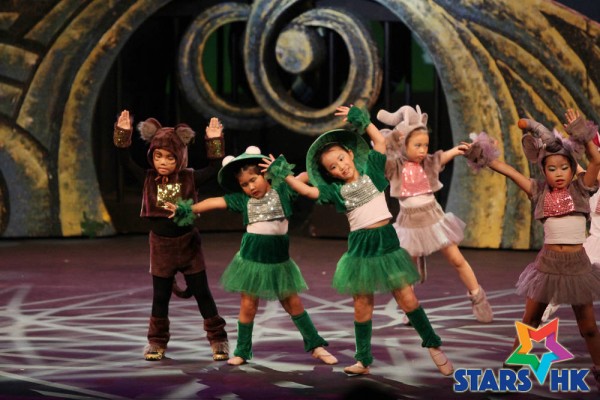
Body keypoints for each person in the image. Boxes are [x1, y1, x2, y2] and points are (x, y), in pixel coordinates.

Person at [276, 105, 454, 376]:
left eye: (341, 159)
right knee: (362, 305)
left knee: (407, 299)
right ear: (330, 174)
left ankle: (433, 345)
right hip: (361, 247)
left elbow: (380, 142)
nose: (340, 167)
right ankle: (363, 360)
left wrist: (363, 120)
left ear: (350, 154)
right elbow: (309, 192)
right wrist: (285, 175)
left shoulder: (372, 171)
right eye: (333, 167)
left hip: (386, 243)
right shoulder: (337, 191)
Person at [165, 146, 337, 367]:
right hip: (251, 260)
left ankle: (316, 346)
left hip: (278, 261)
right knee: (248, 306)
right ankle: (242, 351)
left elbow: (305, 176)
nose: (250, 187)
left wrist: (288, 170)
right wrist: (187, 210)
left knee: (293, 304)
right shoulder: (243, 201)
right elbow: (214, 202)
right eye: (244, 184)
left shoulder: (282, 190)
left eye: (253, 180)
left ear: (264, 174)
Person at [464, 110, 600, 387]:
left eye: (564, 167)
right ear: (543, 170)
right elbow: (510, 171)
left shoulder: (581, 189)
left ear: (573, 168)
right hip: (548, 265)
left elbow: (597, 160)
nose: (559, 174)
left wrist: (583, 135)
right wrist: (482, 154)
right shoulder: (538, 191)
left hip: (577, 266)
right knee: (530, 321)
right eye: (552, 169)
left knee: (588, 327)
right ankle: (511, 371)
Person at [113, 110, 229, 361]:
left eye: (169, 157)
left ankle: (218, 339)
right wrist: (123, 135)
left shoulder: (189, 178)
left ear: (180, 157)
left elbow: (214, 168)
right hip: (161, 247)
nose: (163, 162)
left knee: (202, 293)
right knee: (160, 297)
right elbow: (124, 161)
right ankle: (156, 342)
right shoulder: (148, 179)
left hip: (188, 245)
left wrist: (214, 140)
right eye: (158, 156)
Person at [377, 105, 493, 323]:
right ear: (404, 144)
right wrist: (394, 135)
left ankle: (477, 295)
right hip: (409, 223)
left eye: (425, 145)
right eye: (417, 145)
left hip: (434, 219)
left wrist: (459, 150)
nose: (423, 150)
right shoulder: (394, 166)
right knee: (407, 269)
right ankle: (411, 309)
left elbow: (444, 156)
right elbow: (380, 150)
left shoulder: (429, 162)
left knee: (456, 259)